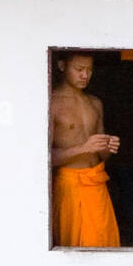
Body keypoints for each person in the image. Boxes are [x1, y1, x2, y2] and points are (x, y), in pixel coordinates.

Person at [49, 51, 121, 247]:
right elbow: (45, 158)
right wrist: (83, 148)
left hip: (97, 183)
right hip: (70, 185)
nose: (85, 75)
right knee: (77, 247)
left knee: (105, 244)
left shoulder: (95, 103)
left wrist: (108, 146)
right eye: (79, 69)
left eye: (89, 70)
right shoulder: (52, 103)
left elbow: (102, 156)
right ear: (62, 66)